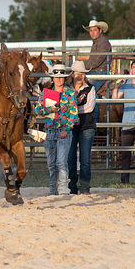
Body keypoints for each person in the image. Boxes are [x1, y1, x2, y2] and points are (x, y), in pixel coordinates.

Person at [34, 64, 77, 196]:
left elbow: (73, 114)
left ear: (64, 78)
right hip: (50, 131)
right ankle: (53, 188)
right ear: (53, 78)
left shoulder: (70, 94)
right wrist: (49, 110)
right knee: (51, 163)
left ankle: (63, 188)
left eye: (61, 77)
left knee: (60, 162)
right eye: (56, 77)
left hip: (63, 131)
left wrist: (67, 129)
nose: (58, 79)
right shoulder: (45, 93)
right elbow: (37, 110)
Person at [67, 61, 95, 195]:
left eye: (82, 74)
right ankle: (72, 185)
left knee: (84, 159)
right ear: (72, 74)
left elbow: (89, 108)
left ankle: (84, 186)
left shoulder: (90, 88)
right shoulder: (68, 89)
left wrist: (71, 107)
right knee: (70, 158)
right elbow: (85, 108)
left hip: (86, 126)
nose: (80, 76)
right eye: (77, 74)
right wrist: (75, 105)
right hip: (73, 126)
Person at [82, 20, 111, 96]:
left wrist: (84, 68)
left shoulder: (103, 42)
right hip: (95, 72)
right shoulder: (97, 42)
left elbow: (97, 60)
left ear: (100, 30)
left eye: (95, 30)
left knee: (90, 91)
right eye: (90, 30)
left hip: (100, 73)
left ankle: (95, 107)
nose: (92, 32)